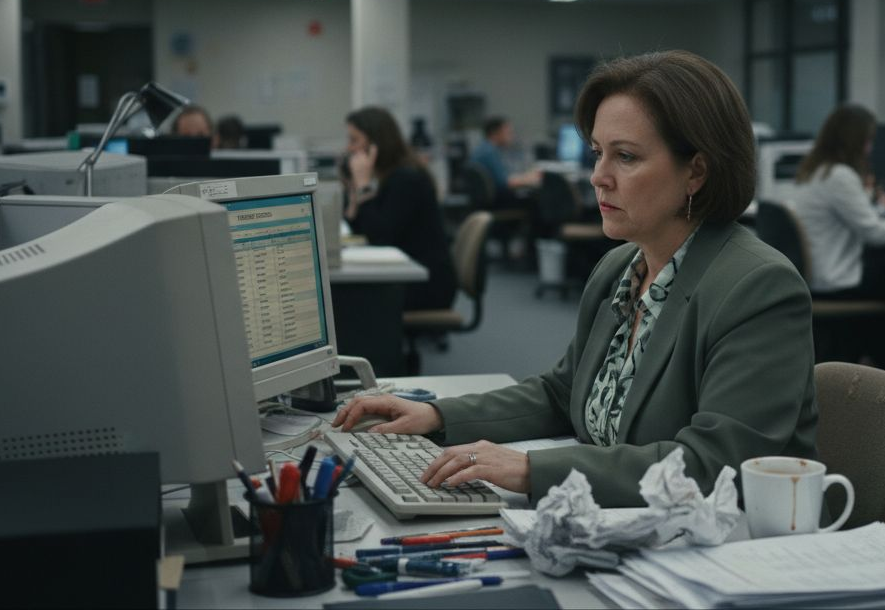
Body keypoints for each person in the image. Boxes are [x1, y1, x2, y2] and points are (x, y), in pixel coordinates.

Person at [333, 51, 817, 507]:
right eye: (597, 153)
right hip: (622, 526)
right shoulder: (619, 269)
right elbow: (562, 395)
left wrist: (532, 470)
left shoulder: (757, 287)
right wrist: (439, 416)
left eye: (625, 157)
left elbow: (715, 465)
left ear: (696, 172)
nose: (597, 176)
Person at [787, 104, 885, 372]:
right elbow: (874, 232)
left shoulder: (817, 170)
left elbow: (849, 216)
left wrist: (870, 200)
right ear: (854, 141)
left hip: (818, 275)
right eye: (868, 141)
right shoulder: (840, 176)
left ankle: (881, 357)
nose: (870, 148)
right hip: (837, 280)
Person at [343, 106, 458, 312]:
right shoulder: (390, 176)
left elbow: (379, 238)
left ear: (376, 144)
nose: (349, 148)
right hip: (408, 275)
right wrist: (354, 195)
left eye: (355, 140)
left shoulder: (407, 179)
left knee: (345, 302)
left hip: (427, 285)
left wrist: (363, 187)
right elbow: (360, 232)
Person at [470, 116, 543, 204]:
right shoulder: (489, 152)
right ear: (495, 133)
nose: (511, 136)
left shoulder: (483, 148)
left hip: (487, 200)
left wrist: (525, 177)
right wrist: (530, 180)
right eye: (508, 132)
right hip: (497, 202)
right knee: (537, 201)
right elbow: (505, 183)